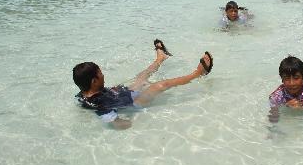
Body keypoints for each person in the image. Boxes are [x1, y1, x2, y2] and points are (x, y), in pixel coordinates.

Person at [73, 39, 214, 129]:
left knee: (142, 76)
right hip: (134, 102)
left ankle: (160, 57)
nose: (103, 75)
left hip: (123, 94)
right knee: (160, 85)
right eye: (100, 73)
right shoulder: (98, 105)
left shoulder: (84, 93)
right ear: (94, 81)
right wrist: (133, 117)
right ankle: (198, 73)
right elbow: (120, 124)